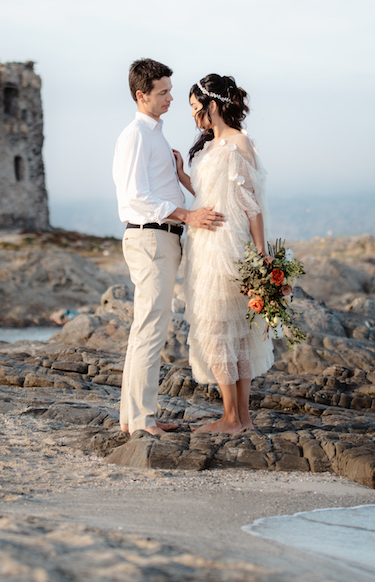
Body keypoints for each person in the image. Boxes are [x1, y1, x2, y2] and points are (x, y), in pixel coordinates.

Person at [112, 59, 224, 437]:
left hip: (161, 237)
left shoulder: (154, 134)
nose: (171, 98)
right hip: (150, 236)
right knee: (149, 330)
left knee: (146, 330)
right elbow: (133, 198)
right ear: (141, 95)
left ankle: (134, 418)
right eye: (163, 92)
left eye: (170, 91)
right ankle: (142, 422)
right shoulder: (136, 136)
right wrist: (188, 216)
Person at [175, 73, 273, 434]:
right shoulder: (211, 146)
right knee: (227, 329)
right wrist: (183, 175)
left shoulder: (239, 143)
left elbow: (252, 204)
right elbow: (206, 193)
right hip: (203, 242)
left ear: (212, 105)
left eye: (194, 107)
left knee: (220, 328)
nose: (192, 115)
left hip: (225, 243)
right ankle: (241, 418)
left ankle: (233, 417)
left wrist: (261, 253)